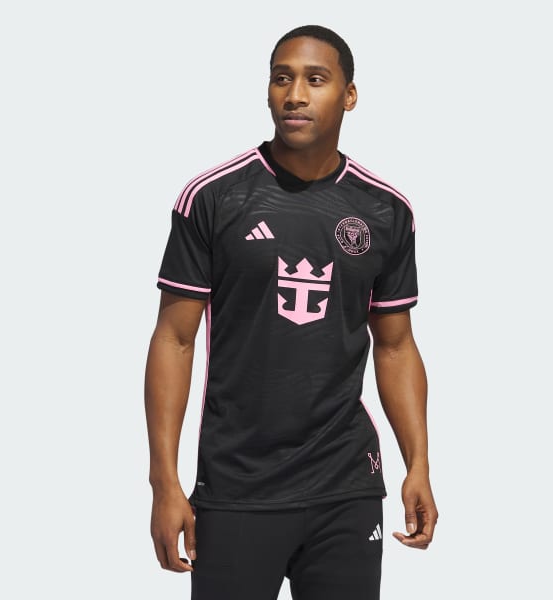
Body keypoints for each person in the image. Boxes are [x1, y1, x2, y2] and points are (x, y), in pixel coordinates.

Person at [144, 24, 438, 600]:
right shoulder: (214, 198)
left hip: (346, 486)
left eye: (315, 79)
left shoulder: (385, 210)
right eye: (282, 78)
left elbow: (396, 344)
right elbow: (174, 340)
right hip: (236, 487)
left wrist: (418, 463)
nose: (295, 95)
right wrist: (163, 482)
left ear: (349, 95)